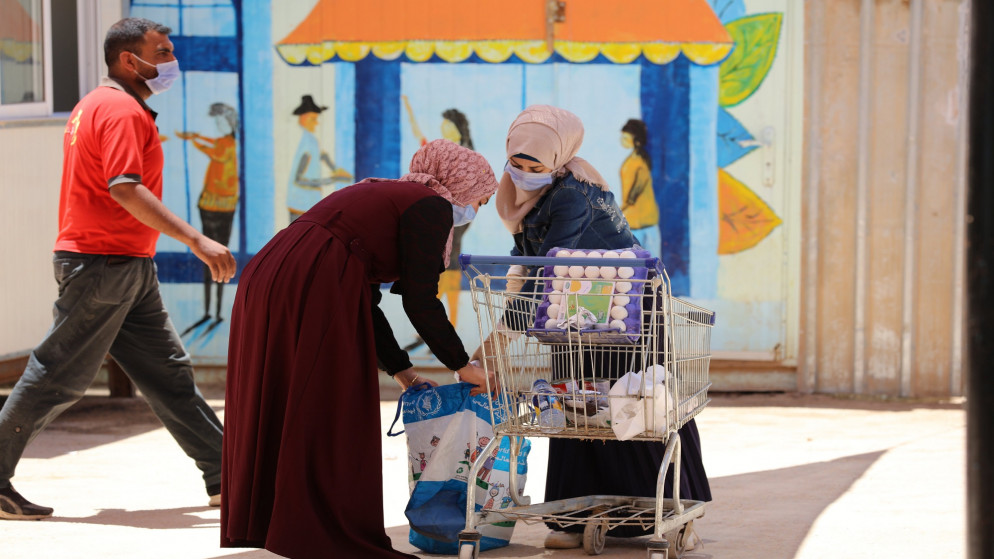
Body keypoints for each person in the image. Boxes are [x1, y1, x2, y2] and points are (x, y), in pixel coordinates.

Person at [0, 17, 236, 520]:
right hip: (102, 264)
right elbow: (125, 187)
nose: (172, 62)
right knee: (56, 377)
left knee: (169, 375)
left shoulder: (97, 103)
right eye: (164, 52)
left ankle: (227, 476)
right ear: (131, 60)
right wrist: (195, 238)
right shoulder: (122, 111)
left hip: (125, 264)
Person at [221, 139, 499, 558]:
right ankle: (319, 531)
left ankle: (277, 523)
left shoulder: (389, 193)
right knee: (332, 402)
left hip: (273, 273)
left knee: (286, 396)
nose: (479, 208)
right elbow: (419, 300)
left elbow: (364, 303)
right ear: (463, 183)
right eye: (483, 198)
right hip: (309, 279)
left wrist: (403, 371)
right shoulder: (430, 205)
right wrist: (463, 365)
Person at [489, 105, 711, 549]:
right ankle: (575, 516)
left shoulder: (573, 194)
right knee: (578, 404)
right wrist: (504, 325)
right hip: (573, 307)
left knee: (638, 403)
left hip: (626, 304)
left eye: (537, 165)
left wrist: (500, 335)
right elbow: (526, 262)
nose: (525, 172)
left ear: (560, 157)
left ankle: (676, 512)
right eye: (517, 162)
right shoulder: (525, 194)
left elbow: (545, 269)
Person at [176, 102, 240, 334]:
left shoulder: (230, 145)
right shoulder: (225, 141)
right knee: (209, 259)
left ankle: (216, 311)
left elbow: (215, 152)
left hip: (221, 206)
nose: (218, 125)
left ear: (229, 122)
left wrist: (193, 140)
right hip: (211, 203)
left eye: (221, 121)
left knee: (220, 259)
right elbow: (214, 143)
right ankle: (208, 311)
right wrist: (196, 135)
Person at [286, 94, 352, 222]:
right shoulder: (306, 143)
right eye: (313, 119)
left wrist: (335, 168)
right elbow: (299, 179)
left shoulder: (311, 140)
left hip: (308, 203)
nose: (316, 123)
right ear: (303, 119)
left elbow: (322, 155)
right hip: (300, 204)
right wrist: (330, 180)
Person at [619, 118, 661, 257]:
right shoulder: (631, 160)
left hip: (644, 223)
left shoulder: (640, 162)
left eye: (626, 138)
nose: (622, 140)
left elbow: (633, 194)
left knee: (652, 270)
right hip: (634, 223)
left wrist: (616, 210)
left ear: (636, 140)